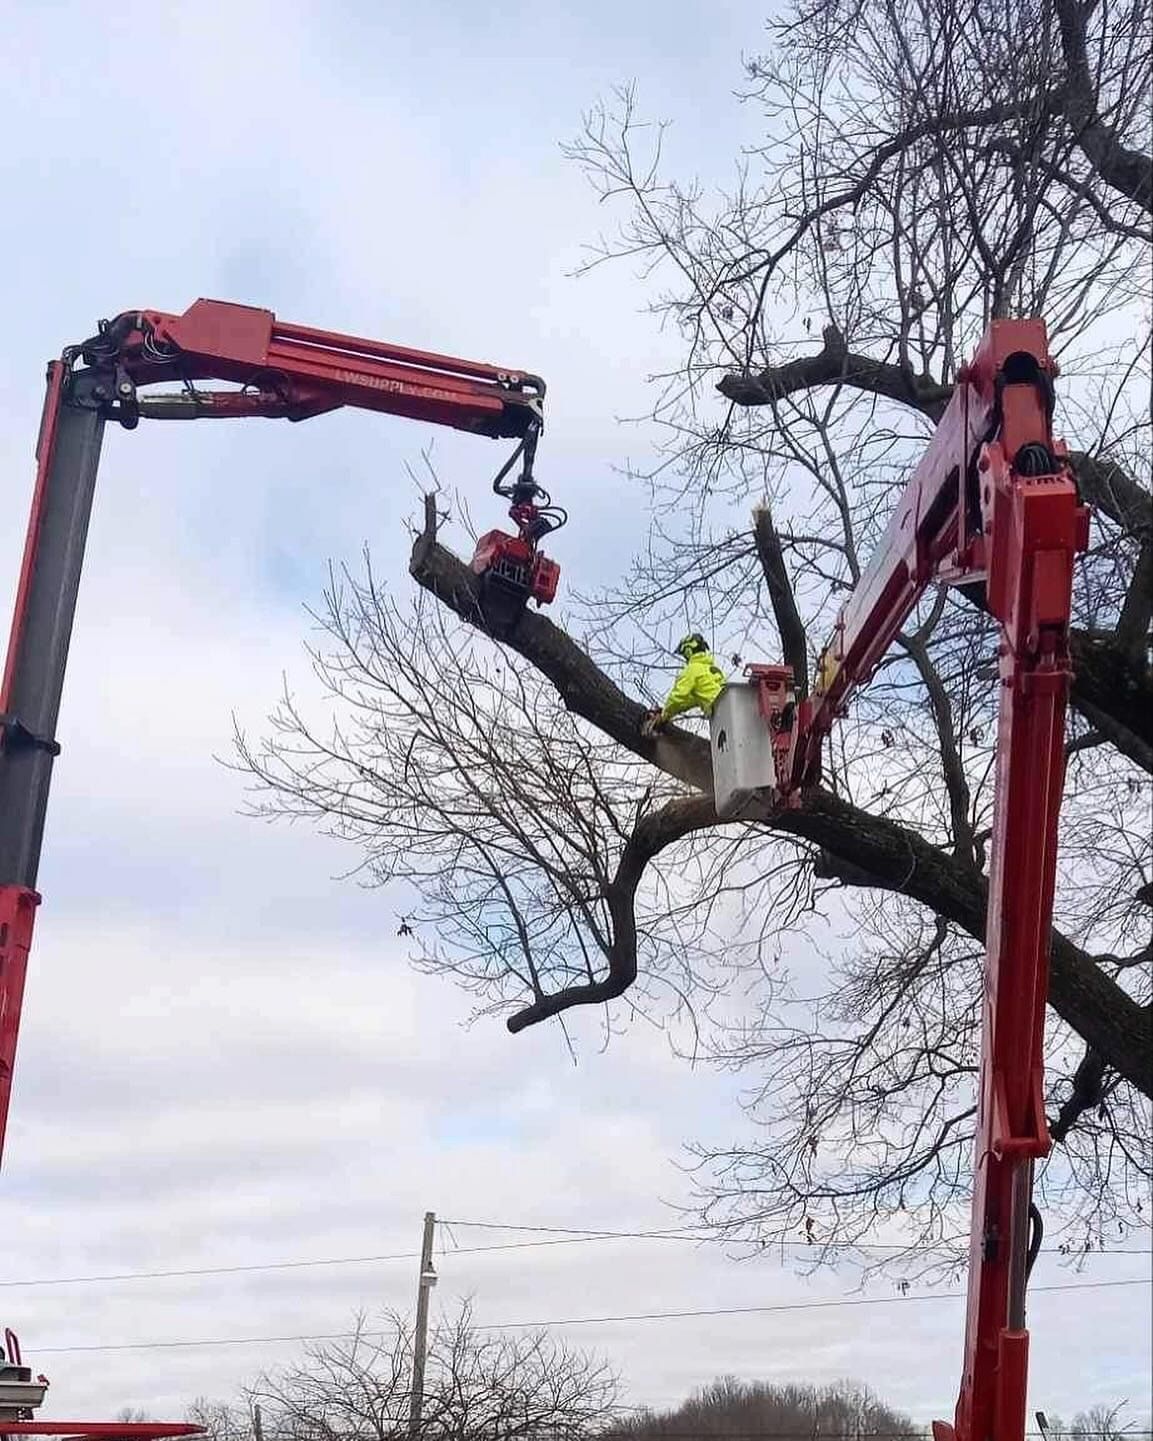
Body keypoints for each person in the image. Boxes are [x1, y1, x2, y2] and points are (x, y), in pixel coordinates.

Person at [643, 633, 726, 734]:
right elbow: (688, 701)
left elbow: (677, 696)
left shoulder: (692, 670)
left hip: (719, 713)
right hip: (727, 708)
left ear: (688, 651)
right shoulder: (712, 669)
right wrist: (667, 711)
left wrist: (664, 716)